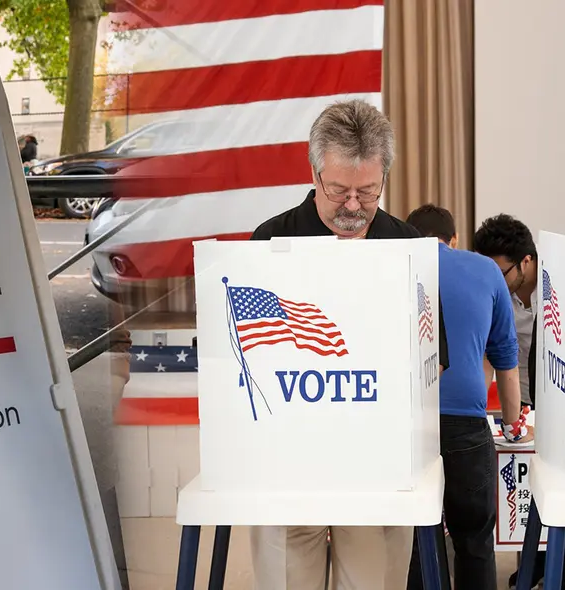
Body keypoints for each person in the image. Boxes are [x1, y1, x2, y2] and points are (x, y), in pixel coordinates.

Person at [249, 99, 449, 590]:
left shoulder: (407, 246)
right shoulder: (268, 242)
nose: (354, 206)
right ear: (314, 173)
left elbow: (433, 358)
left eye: (369, 191)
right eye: (338, 190)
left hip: (379, 466)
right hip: (290, 466)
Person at [403, 205, 525, 590]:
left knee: (416, 540)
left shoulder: (398, 266)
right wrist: (510, 422)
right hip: (466, 428)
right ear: (452, 240)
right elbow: (506, 360)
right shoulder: (485, 270)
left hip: (408, 424)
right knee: (473, 540)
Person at [472, 214, 544, 589]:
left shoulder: (555, 288)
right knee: (523, 489)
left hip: (554, 401)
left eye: (501, 272)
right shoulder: (497, 293)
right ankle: (528, 568)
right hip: (521, 402)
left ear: (526, 262)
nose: (494, 281)